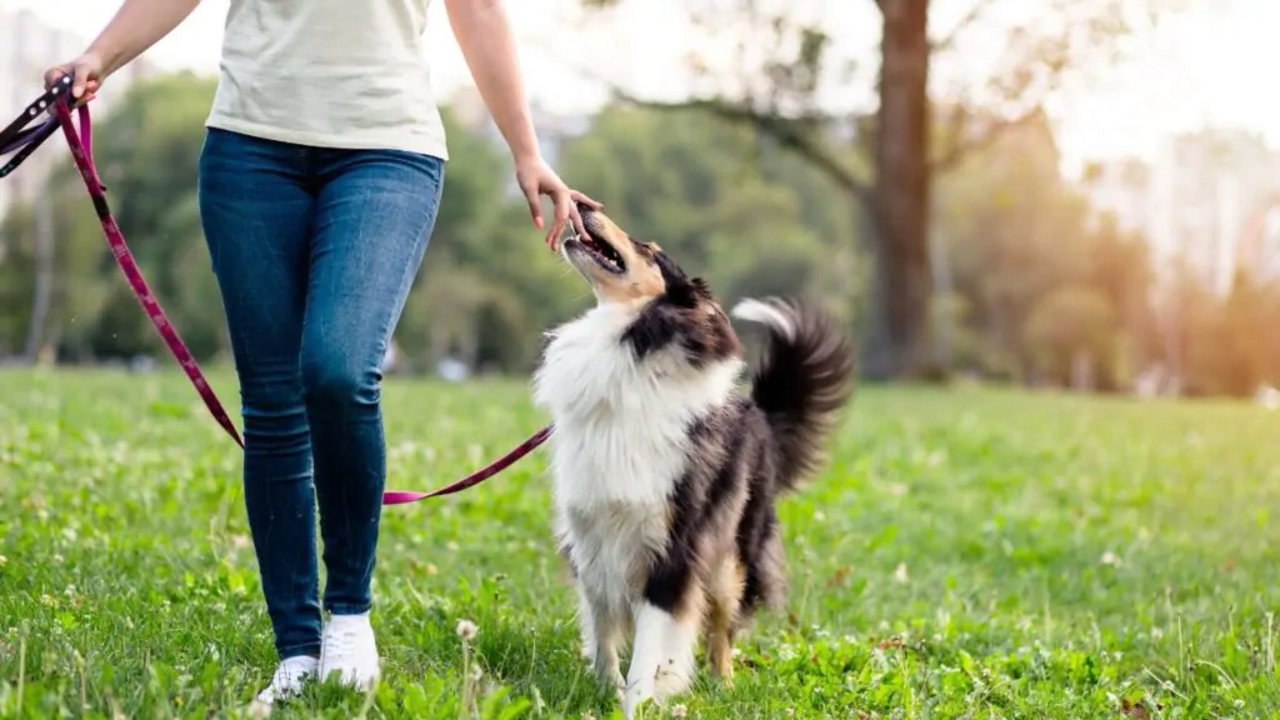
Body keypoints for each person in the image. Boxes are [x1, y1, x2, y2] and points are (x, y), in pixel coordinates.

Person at [46, 0, 600, 707]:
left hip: (388, 150)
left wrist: (525, 149)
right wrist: (98, 56)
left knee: (337, 371)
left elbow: (478, 9)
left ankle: (349, 616)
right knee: (273, 404)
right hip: (249, 148)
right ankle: (297, 652)